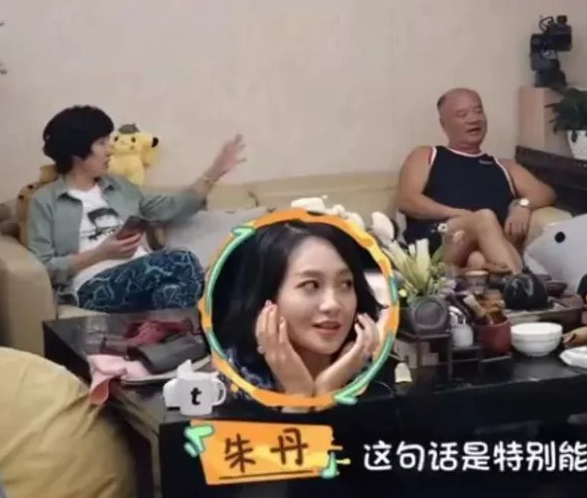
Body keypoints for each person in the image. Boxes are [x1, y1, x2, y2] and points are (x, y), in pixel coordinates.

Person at [27, 105, 244, 312]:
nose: (110, 150)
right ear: (77, 152)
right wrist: (100, 254)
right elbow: (44, 268)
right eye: (102, 143)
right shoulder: (44, 202)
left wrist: (215, 172)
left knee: (170, 294)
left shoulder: (119, 187)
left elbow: (173, 207)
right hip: (91, 286)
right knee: (183, 259)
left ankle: (180, 335)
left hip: (144, 275)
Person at [213, 220, 388, 397]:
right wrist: (298, 392)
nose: (333, 304)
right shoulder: (230, 382)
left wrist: (329, 388)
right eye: (311, 285)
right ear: (267, 296)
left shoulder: (376, 375)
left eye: (345, 284)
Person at [396, 87, 556, 274]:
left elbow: (546, 193)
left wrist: (522, 205)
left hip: (480, 252)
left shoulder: (503, 166)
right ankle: (522, 284)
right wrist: (461, 216)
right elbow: (407, 200)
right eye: (462, 115)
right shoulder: (428, 155)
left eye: (478, 111)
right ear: (444, 124)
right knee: (483, 219)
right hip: (438, 246)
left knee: (477, 259)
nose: (473, 119)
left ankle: (504, 283)